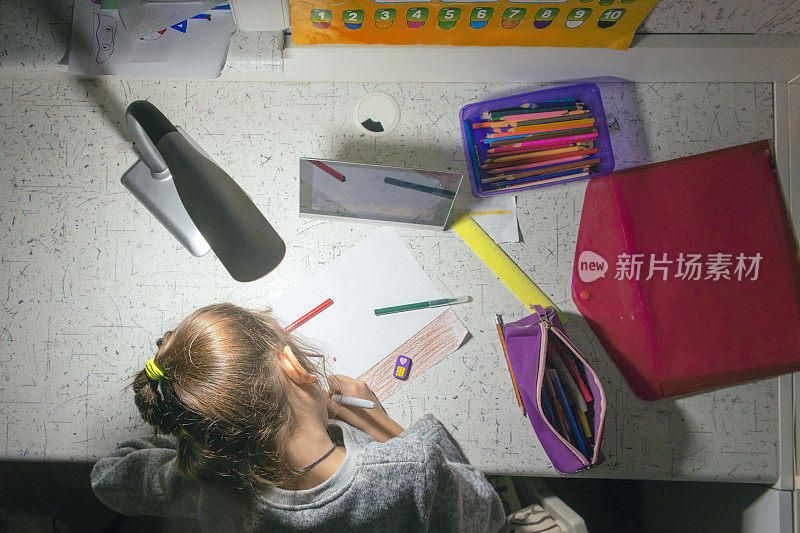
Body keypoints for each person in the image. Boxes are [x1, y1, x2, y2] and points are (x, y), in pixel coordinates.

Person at [91, 303, 505, 532]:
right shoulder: (413, 473)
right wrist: (381, 424)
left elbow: (108, 479)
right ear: (292, 365)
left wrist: (196, 439)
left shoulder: (208, 484)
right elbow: (488, 514)